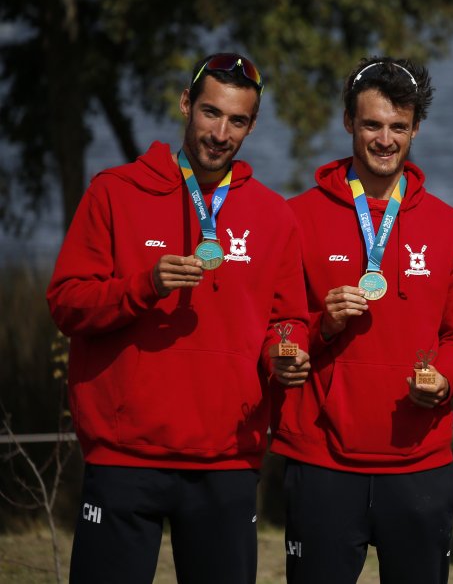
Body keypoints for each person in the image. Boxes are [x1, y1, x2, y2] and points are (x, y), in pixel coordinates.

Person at [47, 53, 311, 584]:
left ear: (252, 125)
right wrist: (142, 286)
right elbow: (67, 303)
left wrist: (286, 353)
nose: (221, 133)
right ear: (186, 104)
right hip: (124, 454)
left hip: (226, 459)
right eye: (211, 113)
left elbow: (287, 320)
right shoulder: (114, 192)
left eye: (237, 121)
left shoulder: (273, 214)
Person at [270, 56, 453, 584]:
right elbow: (278, 329)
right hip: (321, 460)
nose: (385, 140)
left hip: (419, 460)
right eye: (372, 125)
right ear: (348, 123)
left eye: (398, 127)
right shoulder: (294, 218)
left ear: (416, 129)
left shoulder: (452, 228)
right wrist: (321, 326)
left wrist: (447, 378)